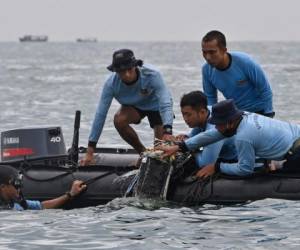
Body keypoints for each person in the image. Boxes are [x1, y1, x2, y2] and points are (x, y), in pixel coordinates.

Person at [81, 49, 174, 166]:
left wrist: (168, 130)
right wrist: (90, 152)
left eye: (129, 69)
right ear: (115, 71)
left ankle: (155, 154)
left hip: (157, 106)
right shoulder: (111, 84)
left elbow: (165, 104)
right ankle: (143, 153)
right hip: (135, 107)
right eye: (121, 72)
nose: (127, 75)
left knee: (160, 154)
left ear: (135, 66)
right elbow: (100, 114)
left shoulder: (153, 75)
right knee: (119, 120)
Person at [201, 30, 274, 117]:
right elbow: (211, 100)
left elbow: (265, 90)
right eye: (204, 52)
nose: (208, 57)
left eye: (212, 52)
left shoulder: (245, 62)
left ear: (224, 50)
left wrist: (268, 115)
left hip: (260, 111)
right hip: (237, 114)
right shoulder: (206, 70)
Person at [175, 91, 237, 176]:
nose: (185, 119)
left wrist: (192, 150)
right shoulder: (207, 111)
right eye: (183, 114)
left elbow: (205, 164)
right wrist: (186, 137)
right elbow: (195, 135)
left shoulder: (215, 127)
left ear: (202, 112)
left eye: (188, 115)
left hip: (236, 160)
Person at [0, 165, 86, 210]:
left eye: (20, 184)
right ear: (3, 187)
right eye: (16, 184)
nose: (19, 188)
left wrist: (70, 194)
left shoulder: (17, 202)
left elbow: (42, 206)